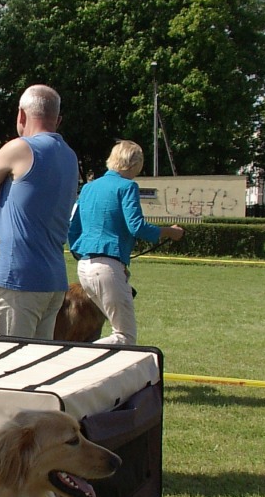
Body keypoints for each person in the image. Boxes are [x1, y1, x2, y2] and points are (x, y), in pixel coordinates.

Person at [0, 84, 80, 341]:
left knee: (6, 369)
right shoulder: (70, 157)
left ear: (21, 115)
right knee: (35, 369)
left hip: (16, 280)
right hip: (53, 282)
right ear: (57, 119)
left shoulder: (21, 148)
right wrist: (6, 203)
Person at [68, 140, 185, 345]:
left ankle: (82, 355)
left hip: (84, 267)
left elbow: (73, 227)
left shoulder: (88, 188)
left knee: (105, 332)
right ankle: (77, 356)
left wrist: (83, 252)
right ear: (134, 164)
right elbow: (137, 226)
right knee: (125, 337)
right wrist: (169, 232)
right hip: (108, 267)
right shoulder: (128, 186)